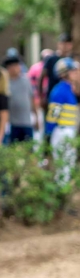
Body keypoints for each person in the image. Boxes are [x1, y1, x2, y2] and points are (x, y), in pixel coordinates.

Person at [45, 57, 80, 185]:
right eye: (73, 71)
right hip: (61, 131)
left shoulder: (69, 89)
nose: (76, 73)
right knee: (63, 167)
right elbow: (53, 115)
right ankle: (61, 196)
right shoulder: (60, 90)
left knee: (67, 165)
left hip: (68, 131)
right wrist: (48, 134)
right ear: (65, 73)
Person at [4, 55, 38, 142]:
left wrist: (36, 117)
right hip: (12, 123)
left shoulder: (26, 80)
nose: (15, 68)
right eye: (12, 66)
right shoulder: (5, 82)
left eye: (17, 65)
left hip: (26, 122)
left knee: (28, 149)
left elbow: (32, 98)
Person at [40, 33, 73, 118]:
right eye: (62, 43)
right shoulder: (52, 59)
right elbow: (41, 77)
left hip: (69, 99)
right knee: (53, 120)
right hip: (54, 98)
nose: (65, 46)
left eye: (67, 43)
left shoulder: (72, 60)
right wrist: (41, 97)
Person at [29, 49, 53, 126]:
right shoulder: (37, 68)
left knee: (48, 119)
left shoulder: (35, 67)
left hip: (45, 98)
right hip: (40, 98)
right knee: (44, 119)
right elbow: (31, 83)